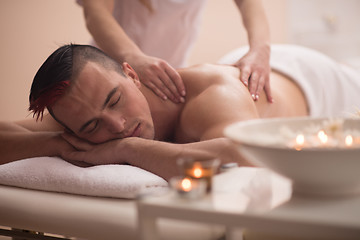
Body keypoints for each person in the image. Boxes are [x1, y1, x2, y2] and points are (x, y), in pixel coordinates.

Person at [1, 44, 359, 181]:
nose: (118, 125)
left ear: (131, 74)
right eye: (93, 126)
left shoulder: (213, 95)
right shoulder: (81, 113)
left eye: (115, 100)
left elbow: (242, 154)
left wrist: (125, 149)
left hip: (314, 81)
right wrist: (59, 145)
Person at [77, 0, 273, 103]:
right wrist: (133, 58)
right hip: (111, 71)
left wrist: (260, 48)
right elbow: (96, 11)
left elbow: (249, 2)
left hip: (168, 75)